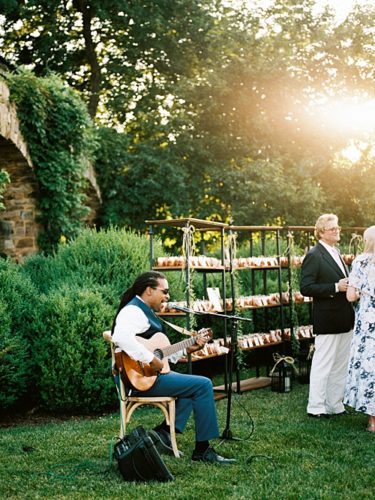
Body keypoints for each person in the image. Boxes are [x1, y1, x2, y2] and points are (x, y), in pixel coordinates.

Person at [111, 270, 235, 464]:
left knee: (191, 388)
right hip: (138, 380)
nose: (168, 296)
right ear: (149, 290)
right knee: (203, 385)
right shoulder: (133, 311)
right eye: (165, 291)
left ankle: (164, 434)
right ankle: (202, 450)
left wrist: (189, 347)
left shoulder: (145, 311)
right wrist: (151, 359)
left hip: (150, 376)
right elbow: (120, 338)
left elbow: (161, 352)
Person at [300, 213, 355, 418]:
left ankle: (335, 404)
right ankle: (315, 407)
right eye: (333, 228)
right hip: (328, 319)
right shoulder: (314, 254)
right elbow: (305, 287)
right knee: (323, 365)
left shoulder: (336, 252)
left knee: (341, 365)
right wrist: (335, 287)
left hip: (345, 317)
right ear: (321, 232)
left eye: (338, 227)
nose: (337, 230)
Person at [344, 226, 375, 432]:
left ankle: (373, 421)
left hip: (368, 320)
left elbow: (351, 296)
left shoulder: (360, 261)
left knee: (369, 366)